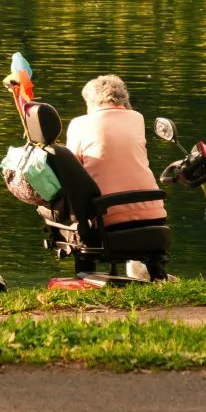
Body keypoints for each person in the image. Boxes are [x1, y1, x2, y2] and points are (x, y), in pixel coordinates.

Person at [64, 74, 170, 281]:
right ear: (123, 98)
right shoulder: (137, 118)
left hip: (108, 222)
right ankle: (157, 274)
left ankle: (86, 275)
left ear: (91, 101)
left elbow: (72, 171)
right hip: (155, 216)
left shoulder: (79, 124)